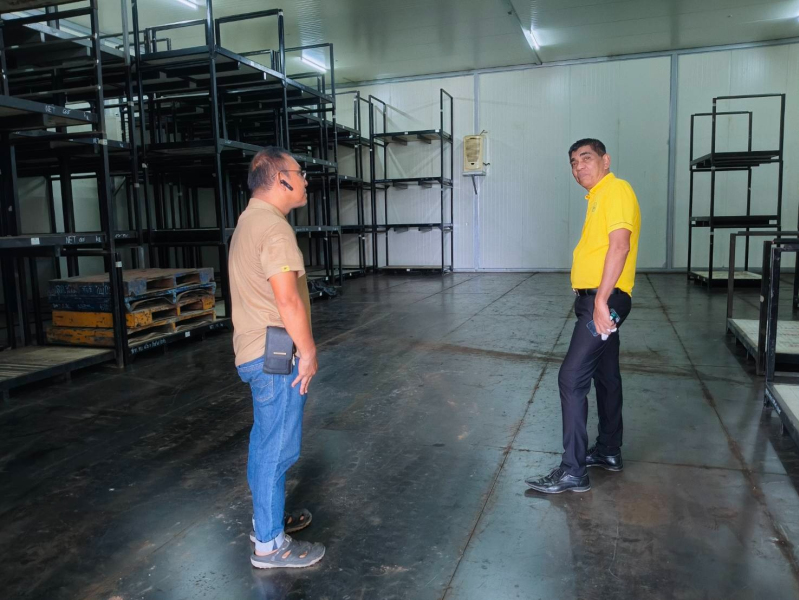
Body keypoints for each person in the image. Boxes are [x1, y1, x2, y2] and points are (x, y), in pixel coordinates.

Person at [526, 138, 641, 494]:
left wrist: (601, 299)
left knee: (571, 377)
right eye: (574, 162)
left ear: (606, 160)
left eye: (586, 158)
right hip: (596, 300)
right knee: (606, 377)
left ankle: (573, 471)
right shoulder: (597, 198)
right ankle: (608, 451)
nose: (579, 167)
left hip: (604, 302)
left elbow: (620, 245)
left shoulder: (616, 190)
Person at [228, 147, 325, 568]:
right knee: (278, 447)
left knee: (265, 441)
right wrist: (309, 351)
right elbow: (287, 299)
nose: (305, 181)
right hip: (276, 354)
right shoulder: (273, 227)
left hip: (257, 351)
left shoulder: (249, 220)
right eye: (300, 173)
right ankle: (269, 545)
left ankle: (267, 519)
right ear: (281, 178)